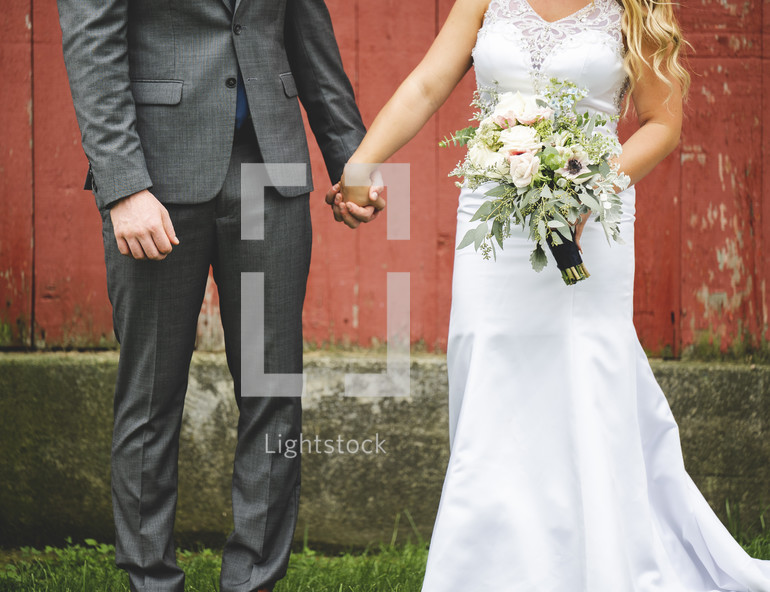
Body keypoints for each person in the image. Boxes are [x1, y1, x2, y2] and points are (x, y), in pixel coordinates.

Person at [328, 0, 770, 589]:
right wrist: (362, 164)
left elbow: (663, 124)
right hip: (492, 221)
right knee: (492, 380)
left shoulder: (636, 7)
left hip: (591, 218)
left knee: (584, 379)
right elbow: (428, 83)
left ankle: (596, 563)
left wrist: (592, 187)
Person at [56, 1, 381, 591]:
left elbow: (309, 35)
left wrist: (350, 157)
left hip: (267, 175)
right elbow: (91, 47)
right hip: (157, 178)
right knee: (150, 399)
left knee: (270, 391)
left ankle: (253, 582)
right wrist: (123, 184)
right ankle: (150, 582)